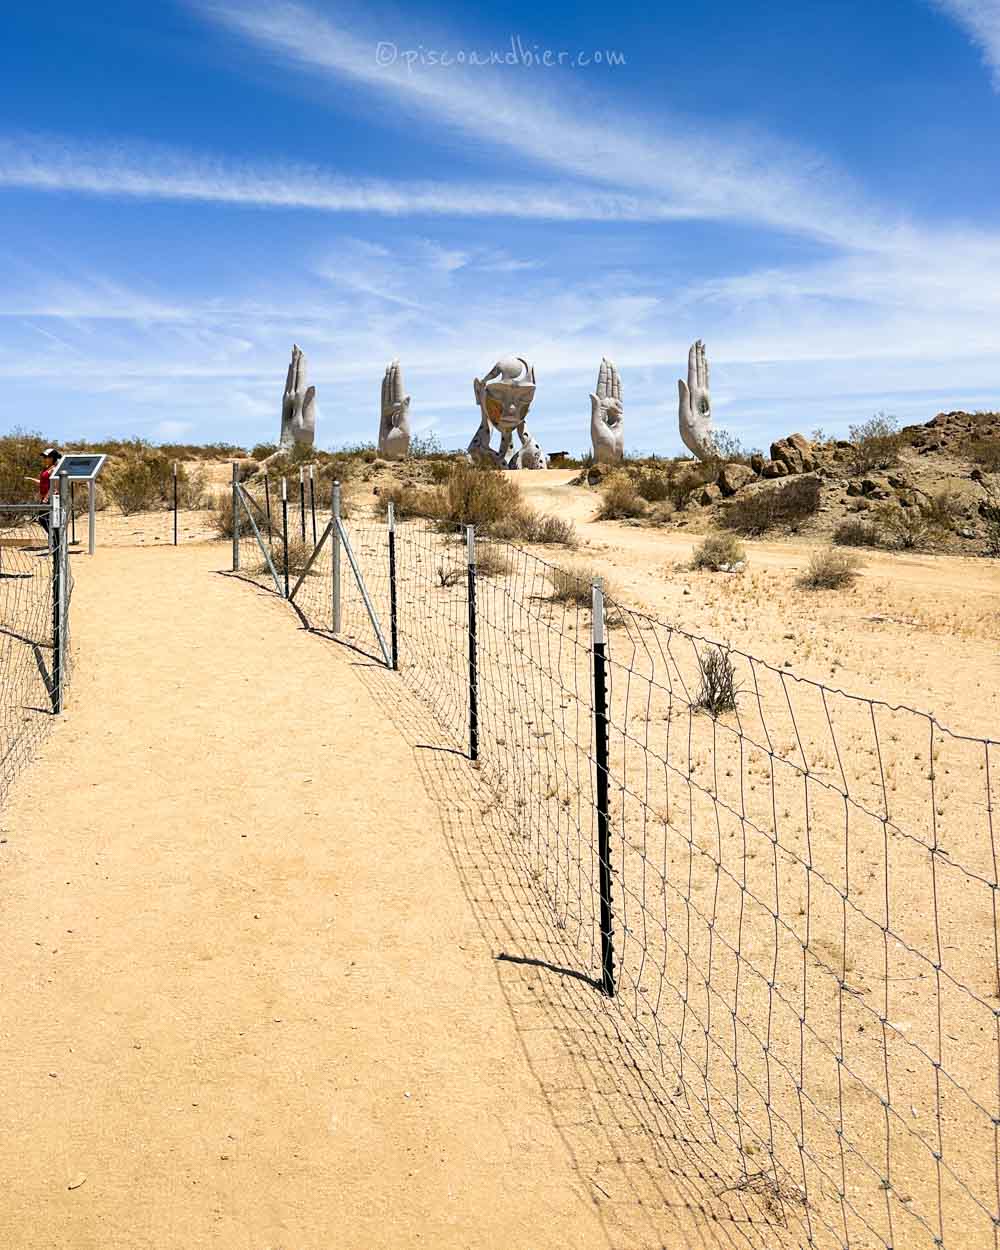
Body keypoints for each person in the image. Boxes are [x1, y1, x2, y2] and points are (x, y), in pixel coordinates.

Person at [24, 447, 60, 538]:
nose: (44, 459)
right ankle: (54, 538)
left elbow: (54, 485)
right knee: (45, 518)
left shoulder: (54, 469)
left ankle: (55, 537)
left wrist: (47, 497)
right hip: (44, 498)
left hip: (50, 498)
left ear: (52, 458)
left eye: (46, 457)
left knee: (43, 518)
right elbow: (43, 482)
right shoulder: (46, 469)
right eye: (44, 457)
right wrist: (31, 479)